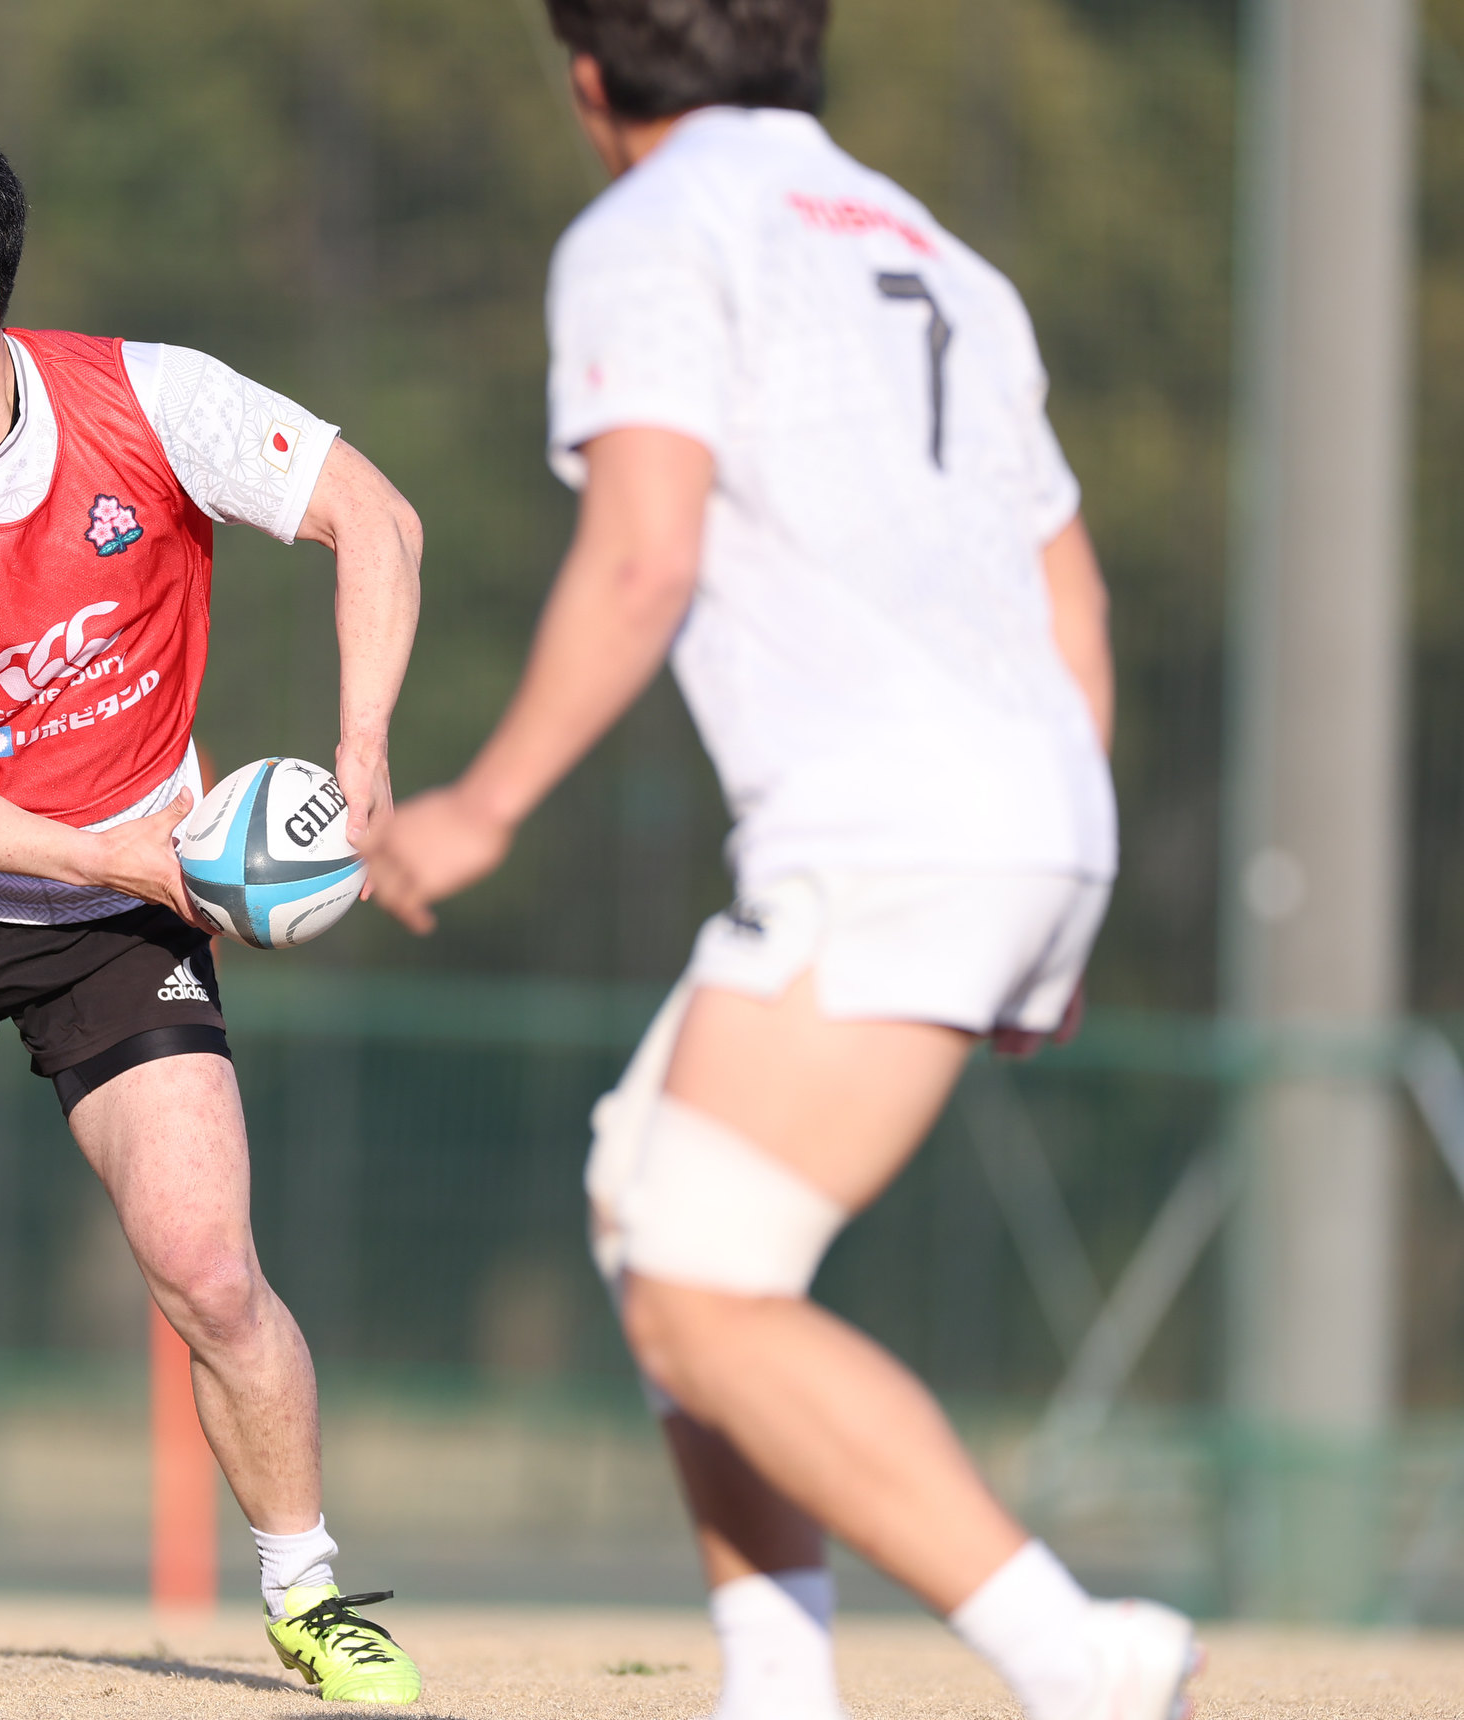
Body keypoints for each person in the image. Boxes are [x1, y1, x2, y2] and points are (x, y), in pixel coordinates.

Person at [361, 6, 1198, 1720]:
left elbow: (643, 559)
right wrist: (1060, 883)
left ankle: (1080, 1659)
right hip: (1026, 808)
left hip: (886, 826)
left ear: (590, 78)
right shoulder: (945, 259)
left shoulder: (652, 229)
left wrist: (484, 805)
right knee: (645, 1199)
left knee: (702, 1289)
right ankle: (777, 1678)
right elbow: (1075, 597)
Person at [0, 107, 425, 1701]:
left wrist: (363, 749)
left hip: (121, 929)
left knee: (210, 1271)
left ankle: (310, 1594)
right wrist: (126, 857)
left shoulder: (147, 402)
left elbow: (375, 521)